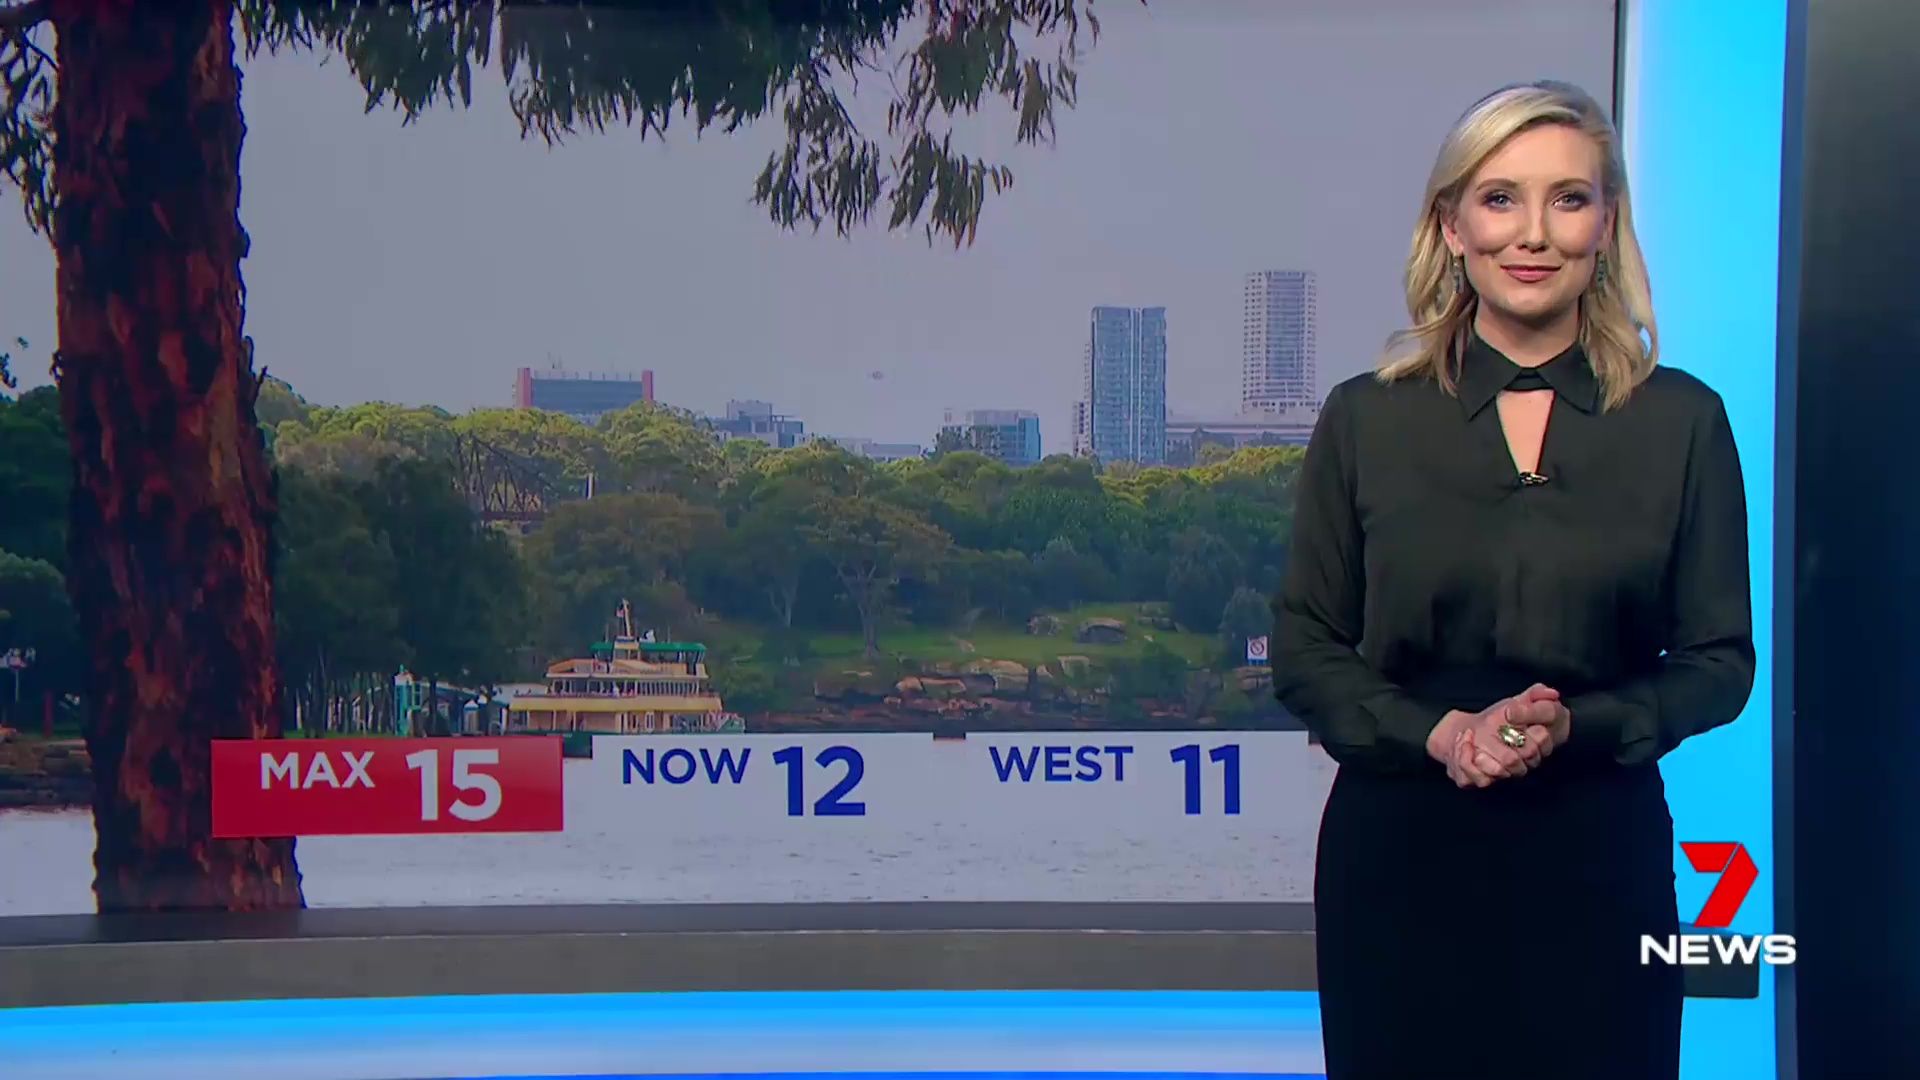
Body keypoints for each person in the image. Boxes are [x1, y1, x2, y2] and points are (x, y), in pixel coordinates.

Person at [1271, 80, 1755, 1080]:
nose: (1533, 233)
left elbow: (1719, 663)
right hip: (1402, 859)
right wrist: (1442, 734)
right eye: (1499, 199)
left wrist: (1582, 725)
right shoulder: (1367, 418)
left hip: (1598, 856)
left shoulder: (1683, 422)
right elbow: (1306, 649)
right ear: (1452, 226)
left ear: (1606, 225)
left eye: (1568, 199)